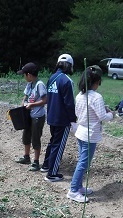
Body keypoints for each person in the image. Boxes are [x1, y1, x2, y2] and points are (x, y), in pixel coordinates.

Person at [67, 66, 113, 203]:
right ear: (97, 81)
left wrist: (101, 111)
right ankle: (73, 190)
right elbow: (103, 117)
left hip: (80, 131)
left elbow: (79, 113)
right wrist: (111, 114)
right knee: (83, 163)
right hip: (90, 134)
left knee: (82, 160)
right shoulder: (96, 97)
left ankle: (79, 187)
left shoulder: (80, 95)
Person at [41, 53, 76, 182]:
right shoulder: (67, 81)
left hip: (51, 115)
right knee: (58, 144)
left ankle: (46, 165)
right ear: (69, 65)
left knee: (52, 141)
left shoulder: (52, 78)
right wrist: (73, 119)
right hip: (62, 119)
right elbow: (69, 103)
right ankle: (52, 173)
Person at [14, 62, 47, 171]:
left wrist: (32, 104)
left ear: (29, 74)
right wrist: (23, 104)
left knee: (36, 138)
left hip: (37, 116)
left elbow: (45, 100)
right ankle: (26, 157)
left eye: (24, 74)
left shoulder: (39, 84)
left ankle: (36, 161)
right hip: (29, 115)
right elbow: (25, 96)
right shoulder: (30, 84)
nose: (24, 77)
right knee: (26, 136)